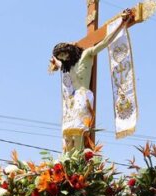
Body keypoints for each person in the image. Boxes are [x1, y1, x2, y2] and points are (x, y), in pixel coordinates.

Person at [48, 10, 134, 152]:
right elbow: (58, 65)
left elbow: (105, 42)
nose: (63, 58)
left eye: (64, 54)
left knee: (79, 130)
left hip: (83, 95)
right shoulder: (67, 66)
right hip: (73, 99)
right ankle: (69, 162)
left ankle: (79, 159)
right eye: (61, 56)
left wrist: (121, 23)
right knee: (69, 135)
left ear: (70, 50)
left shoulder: (86, 55)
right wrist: (55, 62)